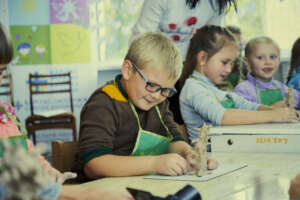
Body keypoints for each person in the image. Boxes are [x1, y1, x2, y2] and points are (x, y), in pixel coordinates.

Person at [0, 23, 133, 200]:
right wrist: (81, 194)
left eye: (1, 71)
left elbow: (27, 154)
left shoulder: (6, 115)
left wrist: (44, 169)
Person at [76, 32, 218, 181]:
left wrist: (190, 154)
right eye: (151, 85)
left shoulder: (159, 103)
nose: (157, 95)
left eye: (165, 90)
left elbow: (173, 140)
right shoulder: (103, 103)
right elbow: (94, 164)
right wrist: (154, 163)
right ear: (128, 70)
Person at [178, 25, 297, 141]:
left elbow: (247, 106)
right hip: (209, 154)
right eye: (225, 62)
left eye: (231, 63)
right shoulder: (193, 88)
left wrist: (279, 112)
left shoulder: (214, 88)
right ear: (203, 58)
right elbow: (223, 117)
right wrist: (274, 116)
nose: (229, 70)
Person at [130, 0, 237, 125]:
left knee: (178, 123)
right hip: (155, 67)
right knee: (153, 121)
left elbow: (213, 45)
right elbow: (141, 40)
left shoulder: (216, 4)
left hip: (188, 69)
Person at [234, 36, 300, 108]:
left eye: (272, 57)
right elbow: (242, 117)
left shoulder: (281, 87)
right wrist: (272, 109)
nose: (268, 62)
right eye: (260, 57)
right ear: (247, 62)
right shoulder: (243, 90)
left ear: (279, 60)